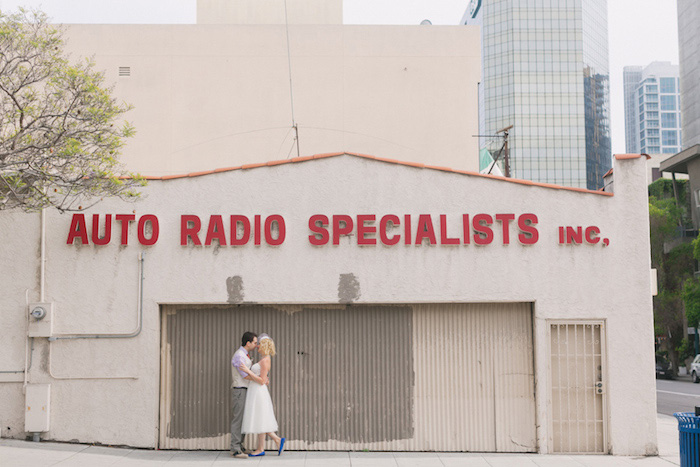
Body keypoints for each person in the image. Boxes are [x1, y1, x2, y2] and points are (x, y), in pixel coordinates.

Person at [240, 333, 285, 457]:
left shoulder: (265, 361)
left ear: (264, 346)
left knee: (260, 418)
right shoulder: (263, 359)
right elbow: (263, 379)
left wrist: (248, 371)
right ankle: (263, 447)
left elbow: (261, 380)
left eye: (260, 344)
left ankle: (271, 443)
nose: (258, 346)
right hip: (256, 391)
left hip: (258, 392)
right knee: (260, 419)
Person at [230, 331, 266, 459]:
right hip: (240, 389)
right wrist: (260, 379)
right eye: (255, 343)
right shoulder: (239, 356)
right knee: (238, 419)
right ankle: (235, 449)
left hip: (245, 389)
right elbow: (244, 375)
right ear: (248, 343)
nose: (257, 345)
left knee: (243, 419)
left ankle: (239, 446)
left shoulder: (245, 354)